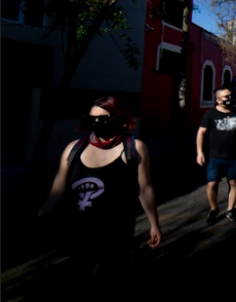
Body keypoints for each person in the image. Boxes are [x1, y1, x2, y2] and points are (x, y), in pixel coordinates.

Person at [35, 96, 162, 279]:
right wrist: (39, 222)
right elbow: (56, 193)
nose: (97, 123)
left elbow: (145, 188)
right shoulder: (74, 149)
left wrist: (154, 224)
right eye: (91, 119)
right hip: (77, 233)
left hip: (116, 234)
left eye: (103, 119)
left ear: (118, 118)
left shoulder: (133, 148)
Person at [197, 86, 236, 225]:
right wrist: (199, 152)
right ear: (218, 100)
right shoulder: (210, 114)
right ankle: (213, 209)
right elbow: (201, 133)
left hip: (234, 156)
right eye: (226, 97)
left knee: (233, 183)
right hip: (214, 156)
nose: (229, 99)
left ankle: (230, 209)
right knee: (212, 184)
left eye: (230, 96)